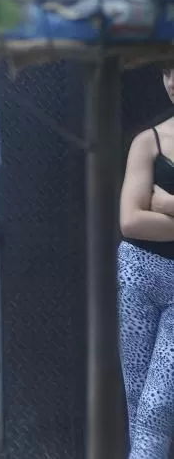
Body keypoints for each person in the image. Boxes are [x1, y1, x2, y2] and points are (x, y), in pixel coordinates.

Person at [118, 71, 174, 458]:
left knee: (158, 404)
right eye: (169, 72)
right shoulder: (148, 141)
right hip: (139, 272)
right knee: (138, 405)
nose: (173, 80)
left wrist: (169, 206)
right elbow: (131, 221)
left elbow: (147, 217)